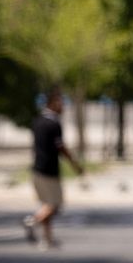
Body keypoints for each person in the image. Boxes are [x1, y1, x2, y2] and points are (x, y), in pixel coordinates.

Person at [23, 91, 82, 249]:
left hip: (36, 168)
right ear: (51, 103)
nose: (63, 106)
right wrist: (75, 165)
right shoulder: (54, 123)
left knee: (46, 204)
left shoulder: (37, 121)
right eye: (60, 103)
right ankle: (32, 221)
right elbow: (61, 147)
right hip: (49, 170)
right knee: (54, 205)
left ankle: (47, 239)